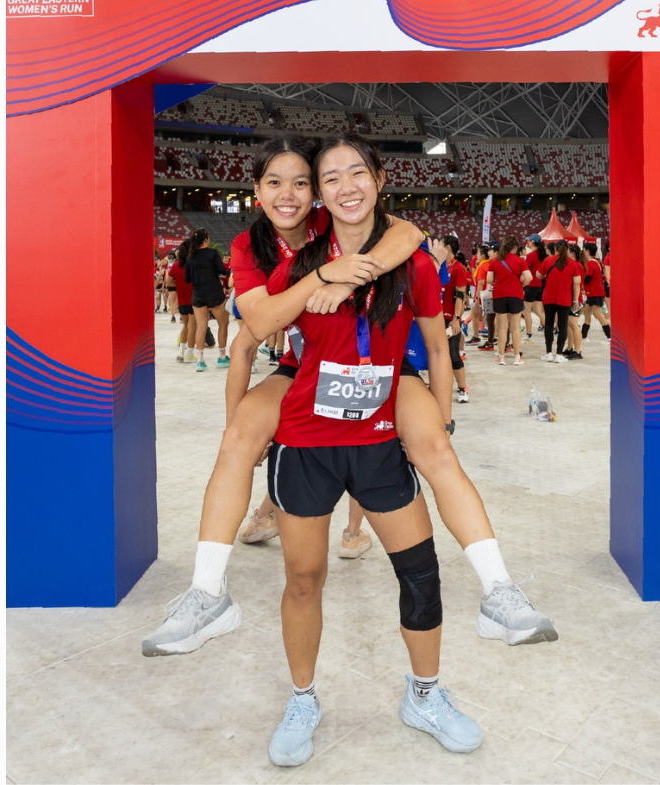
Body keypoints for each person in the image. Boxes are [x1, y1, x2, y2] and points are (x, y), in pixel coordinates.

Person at [142, 135, 554, 659]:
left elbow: (407, 233)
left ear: (316, 193)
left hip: (383, 367)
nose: (289, 195)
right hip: (301, 366)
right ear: (256, 191)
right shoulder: (251, 247)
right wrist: (322, 276)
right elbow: (255, 331)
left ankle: (500, 591)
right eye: (274, 183)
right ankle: (207, 592)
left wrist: (351, 278)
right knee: (238, 441)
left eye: (301, 183)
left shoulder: (331, 219)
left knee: (435, 449)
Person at [258, 134, 482, 764]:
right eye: (331, 178)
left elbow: (439, 348)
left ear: (380, 179)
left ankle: (425, 694)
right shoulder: (304, 262)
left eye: (359, 172)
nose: (347, 186)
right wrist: (319, 281)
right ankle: (302, 698)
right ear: (320, 195)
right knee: (304, 578)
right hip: (306, 443)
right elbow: (258, 326)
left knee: (420, 573)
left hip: (382, 442)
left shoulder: (412, 262)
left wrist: (437, 425)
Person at [184, 228, 230, 371]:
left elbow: (187, 279)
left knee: (201, 326)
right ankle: (222, 357)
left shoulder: (191, 257)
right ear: (206, 240)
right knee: (223, 324)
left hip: (198, 294)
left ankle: (200, 361)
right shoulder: (212, 253)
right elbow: (222, 270)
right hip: (214, 293)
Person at [433, 236, 470, 403]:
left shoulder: (458, 268)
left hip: (450, 318)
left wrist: (456, 318)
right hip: (435, 317)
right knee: (436, 354)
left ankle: (462, 388)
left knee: (453, 353)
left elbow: (460, 296)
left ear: (447, 247)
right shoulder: (438, 265)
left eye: (440, 244)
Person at [486, 236, 530, 366]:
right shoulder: (520, 261)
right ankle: (517, 357)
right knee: (515, 327)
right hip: (515, 294)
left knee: (502, 327)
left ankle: (501, 357)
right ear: (515, 248)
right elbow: (529, 277)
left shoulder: (495, 261)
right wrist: (520, 285)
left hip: (499, 294)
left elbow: (489, 279)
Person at [541, 244, 584, 363]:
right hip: (565, 298)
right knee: (563, 326)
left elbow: (538, 275)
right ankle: (559, 354)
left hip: (549, 298)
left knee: (549, 325)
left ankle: (549, 353)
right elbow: (577, 283)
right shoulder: (573, 264)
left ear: (555, 249)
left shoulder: (548, 260)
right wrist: (575, 300)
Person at [169, 240, 195, 357]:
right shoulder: (193, 263)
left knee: (185, 326)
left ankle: (181, 351)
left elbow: (168, 281)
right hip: (194, 299)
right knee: (192, 327)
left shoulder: (176, 265)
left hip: (182, 301)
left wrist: (178, 285)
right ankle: (189, 353)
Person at [579, 241, 610, 343]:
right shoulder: (595, 261)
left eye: (584, 250)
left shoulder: (591, 263)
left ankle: (610, 337)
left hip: (595, 293)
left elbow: (587, 279)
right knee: (587, 313)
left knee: (599, 315)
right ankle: (583, 337)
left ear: (587, 251)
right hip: (592, 293)